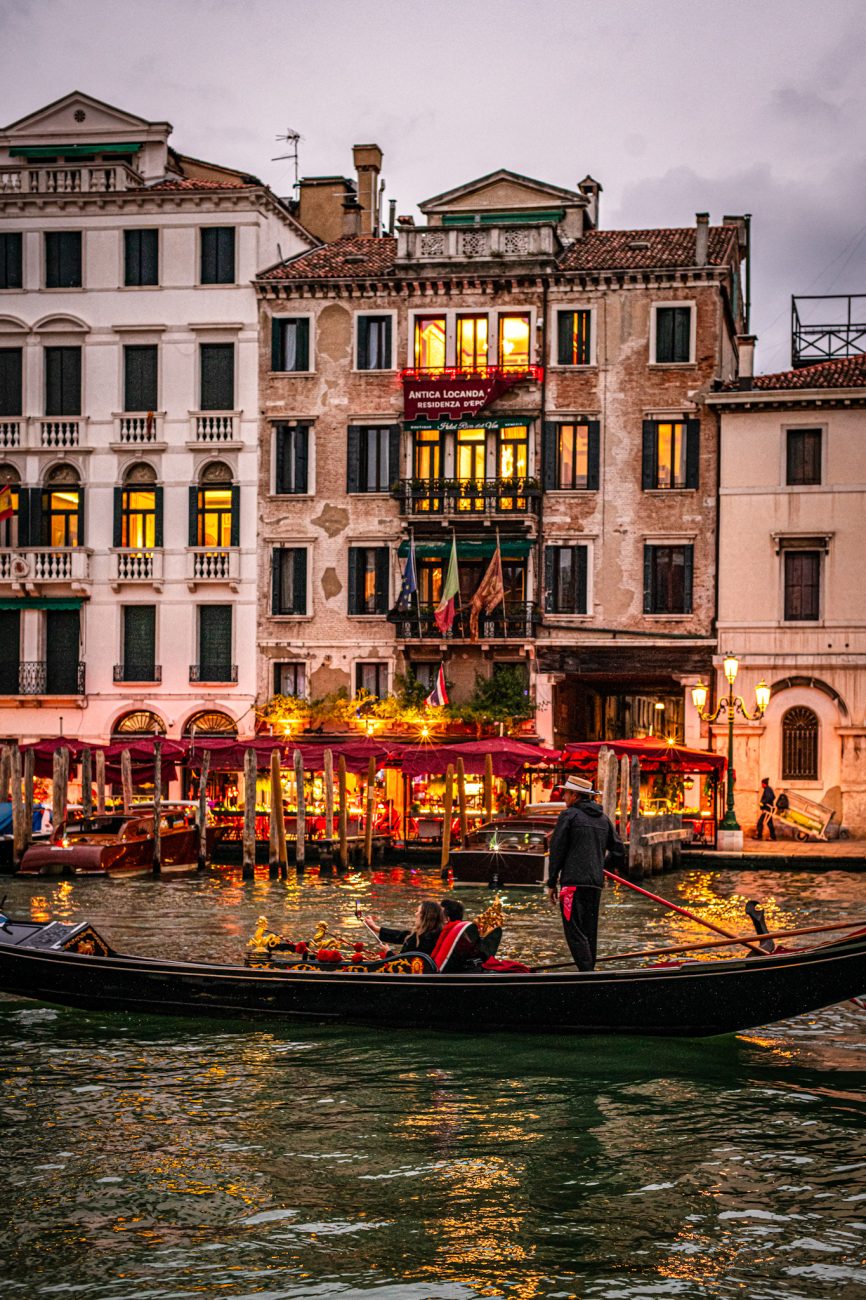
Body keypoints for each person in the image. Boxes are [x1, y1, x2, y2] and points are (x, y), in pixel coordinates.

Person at [546, 774, 624, 971]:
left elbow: (557, 850)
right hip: (594, 884)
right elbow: (619, 851)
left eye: (566, 793)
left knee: (574, 930)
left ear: (575, 795)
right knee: (589, 931)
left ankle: (587, 974)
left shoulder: (569, 816)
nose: (563, 796)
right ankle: (589, 973)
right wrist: (599, 866)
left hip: (572, 883)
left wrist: (551, 882)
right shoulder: (604, 820)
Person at [363, 899, 445, 956]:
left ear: (425, 917)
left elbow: (404, 965)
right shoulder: (429, 934)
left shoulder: (424, 940)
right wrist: (375, 928)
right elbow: (402, 935)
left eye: (418, 911)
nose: (415, 914)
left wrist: (388, 952)